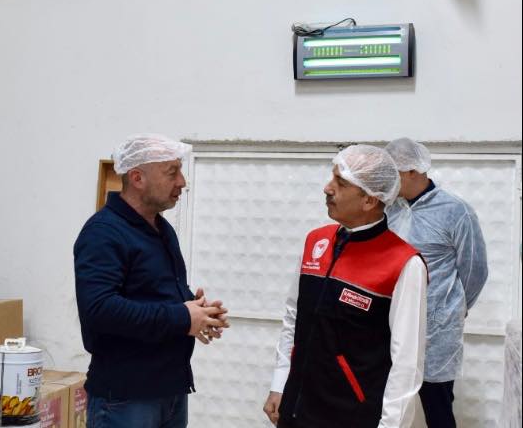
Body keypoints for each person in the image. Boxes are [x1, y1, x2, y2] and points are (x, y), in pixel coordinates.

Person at [263, 144, 428, 428]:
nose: (327, 188)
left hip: (352, 415)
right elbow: (294, 317)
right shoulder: (316, 241)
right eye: (332, 177)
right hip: (296, 407)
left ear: (369, 200)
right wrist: (280, 382)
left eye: (341, 183)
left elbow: (407, 363)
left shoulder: (404, 264)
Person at [74, 133, 229, 428]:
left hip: (169, 390)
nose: (182, 181)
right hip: (126, 399)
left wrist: (198, 311)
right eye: (172, 172)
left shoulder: (161, 229)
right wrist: (182, 317)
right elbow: (100, 309)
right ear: (137, 178)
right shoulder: (103, 233)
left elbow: (153, 294)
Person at [384, 137, 488, 428]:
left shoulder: (455, 211)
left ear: (413, 171)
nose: (388, 181)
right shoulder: (388, 209)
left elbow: (475, 270)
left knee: (437, 409)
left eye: (394, 173)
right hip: (390, 324)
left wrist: (450, 310)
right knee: (386, 403)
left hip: (436, 331)